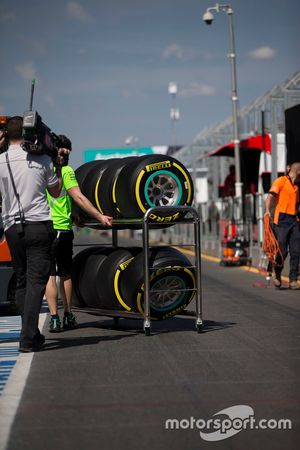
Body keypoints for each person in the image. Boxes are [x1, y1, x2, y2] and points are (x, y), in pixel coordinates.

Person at [0, 117, 68, 352]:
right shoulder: (42, 160)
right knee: (36, 283)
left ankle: (32, 333)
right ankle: (27, 339)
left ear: (6, 135)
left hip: (11, 229)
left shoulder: (0, 161)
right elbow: (57, 192)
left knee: (22, 281)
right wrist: (58, 164)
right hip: (39, 226)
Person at [45, 135, 113, 332]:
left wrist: (73, 216)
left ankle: (56, 317)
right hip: (61, 230)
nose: (65, 152)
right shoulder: (66, 171)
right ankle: (64, 315)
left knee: (49, 275)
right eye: (63, 148)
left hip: (45, 228)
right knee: (63, 275)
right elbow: (78, 197)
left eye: (68, 149)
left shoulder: (42, 171)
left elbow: (58, 201)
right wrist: (99, 216)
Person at [264, 162, 300, 289]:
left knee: (296, 251)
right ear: (298, 172)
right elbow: (270, 196)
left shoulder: (296, 188)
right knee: (282, 251)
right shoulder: (281, 181)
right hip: (281, 220)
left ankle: (293, 280)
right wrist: (268, 211)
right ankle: (277, 273)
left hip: (294, 220)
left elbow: (297, 206)